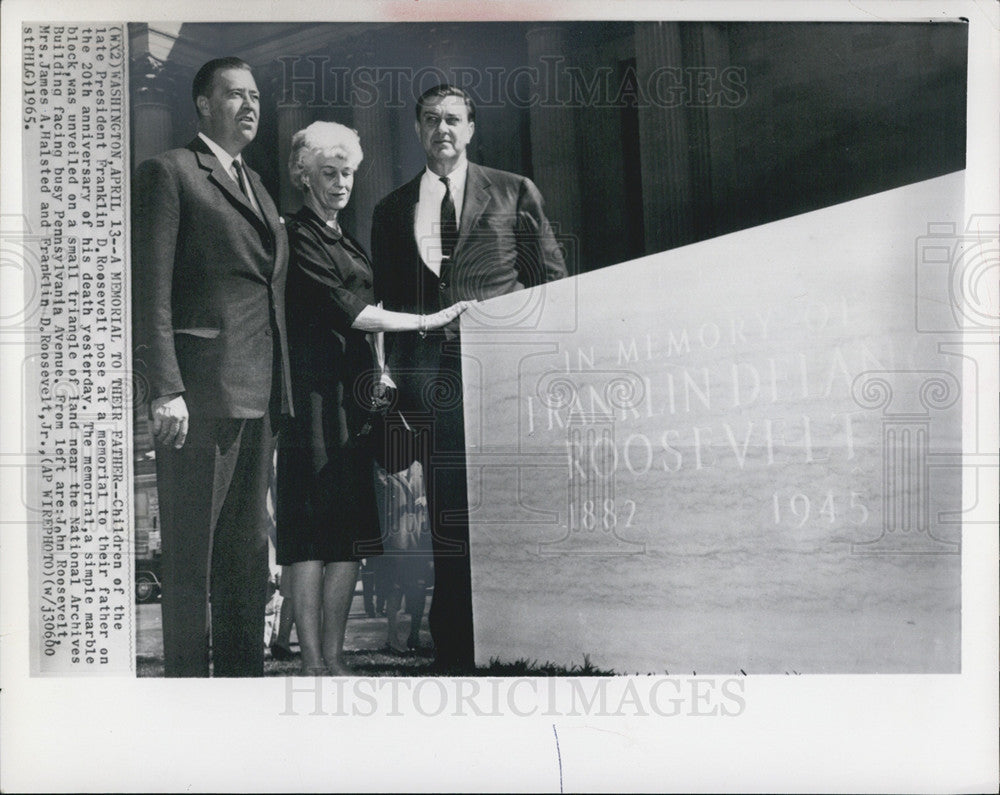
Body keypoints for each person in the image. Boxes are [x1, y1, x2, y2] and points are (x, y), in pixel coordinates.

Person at [371, 84, 568, 671]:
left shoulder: (513, 192)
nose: (442, 130)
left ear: (472, 128)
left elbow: (551, 282)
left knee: (517, 506)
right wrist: (388, 380)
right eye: (430, 120)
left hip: (506, 378)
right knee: (450, 516)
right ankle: (456, 648)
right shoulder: (391, 210)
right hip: (432, 389)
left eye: (452, 119)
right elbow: (385, 303)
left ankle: (531, 639)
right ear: (416, 130)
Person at [277, 121, 469, 676]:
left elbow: (371, 307)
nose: (341, 184)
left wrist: (382, 367)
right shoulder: (297, 234)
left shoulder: (346, 239)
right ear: (303, 177)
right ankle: (312, 661)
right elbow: (351, 311)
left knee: (349, 537)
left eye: (348, 174)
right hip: (312, 399)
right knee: (312, 535)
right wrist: (428, 320)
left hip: (353, 400)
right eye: (328, 174)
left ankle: (334, 660)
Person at [132, 57, 292, 677]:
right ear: (203, 104)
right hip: (197, 395)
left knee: (245, 557)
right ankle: (186, 688)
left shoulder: (258, 184)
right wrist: (165, 387)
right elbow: (153, 291)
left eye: (255, 96)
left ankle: (240, 684)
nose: (250, 106)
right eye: (234, 95)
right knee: (192, 555)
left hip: (258, 395)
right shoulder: (170, 172)